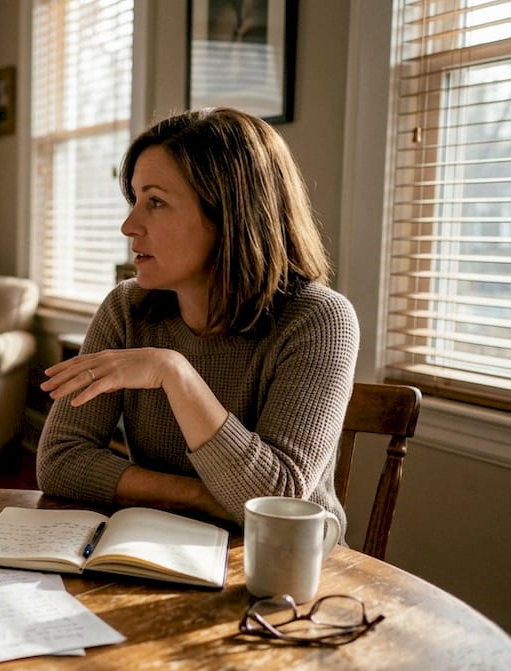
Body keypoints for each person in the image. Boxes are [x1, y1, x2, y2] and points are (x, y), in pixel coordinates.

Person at [36, 107, 358, 532]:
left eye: (156, 202)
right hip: (163, 544)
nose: (129, 225)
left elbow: (276, 500)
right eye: (135, 200)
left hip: (287, 569)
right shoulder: (126, 308)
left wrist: (174, 372)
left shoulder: (319, 319)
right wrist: (202, 496)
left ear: (230, 215)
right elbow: (60, 460)